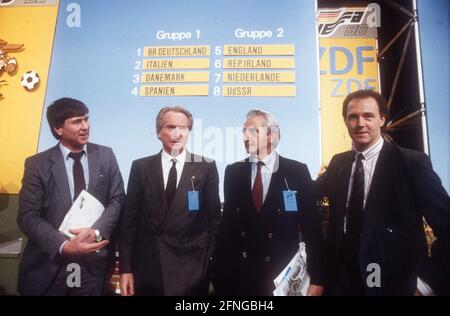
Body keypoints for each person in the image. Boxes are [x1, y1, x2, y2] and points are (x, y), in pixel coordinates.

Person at [316, 89, 450, 296]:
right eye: (353, 117)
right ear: (345, 121)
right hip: (341, 283)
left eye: (368, 116)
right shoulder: (338, 163)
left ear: (382, 120)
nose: (360, 123)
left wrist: (425, 285)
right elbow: (306, 193)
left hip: (390, 284)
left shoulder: (411, 163)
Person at [17, 97, 125, 295]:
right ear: (58, 129)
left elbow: (117, 199)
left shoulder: (105, 155)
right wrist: (64, 246)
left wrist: (96, 232)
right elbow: (27, 216)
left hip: (91, 269)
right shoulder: (37, 165)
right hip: (48, 267)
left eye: (86, 119)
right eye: (77, 122)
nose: (85, 126)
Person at [213, 109, 325, 296]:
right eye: (243, 131)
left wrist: (319, 279)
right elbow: (228, 230)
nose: (245, 136)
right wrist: (219, 274)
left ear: (271, 135)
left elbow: (312, 229)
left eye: (253, 131)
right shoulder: (233, 173)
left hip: (283, 280)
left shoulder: (296, 171)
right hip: (241, 279)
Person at [119, 106, 221, 296]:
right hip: (149, 269)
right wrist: (126, 269)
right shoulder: (141, 167)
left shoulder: (205, 168)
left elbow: (214, 218)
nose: (177, 133)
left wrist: (205, 260)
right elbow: (129, 222)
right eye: (171, 127)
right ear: (158, 132)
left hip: (191, 269)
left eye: (183, 128)